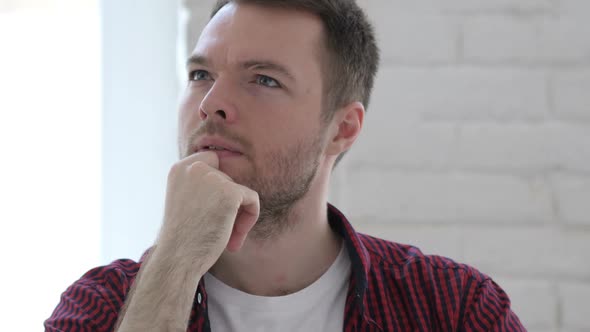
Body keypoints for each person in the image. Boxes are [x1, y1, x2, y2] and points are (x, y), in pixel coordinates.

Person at [46, 0, 526, 331]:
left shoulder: (453, 309)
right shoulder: (102, 307)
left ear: (343, 128)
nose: (212, 103)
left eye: (263, 79)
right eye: (200, 75)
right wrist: (176, 258)